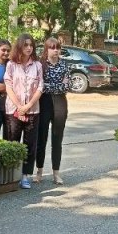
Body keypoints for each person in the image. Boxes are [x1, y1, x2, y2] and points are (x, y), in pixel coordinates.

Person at [4, 33, 44, 188]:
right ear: (20, 46)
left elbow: (40, 87)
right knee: (13, 141)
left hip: (32, 110)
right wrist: (19, 106)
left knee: (30, 144)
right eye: (25, 45)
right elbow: (8, 86)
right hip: (13, 110)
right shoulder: (11, 65)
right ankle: (11, 175)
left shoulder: (37, 65)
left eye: (31, 45)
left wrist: (28, 105)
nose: (29, 48)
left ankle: (25, 175)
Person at [35, 36, 70, 186]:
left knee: (57, 138)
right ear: (47, 49)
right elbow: (40, 86)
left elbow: (67, 86)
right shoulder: (41, 64)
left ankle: (56, 173)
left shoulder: (64, 65)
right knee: (41, 137)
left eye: (58, 48)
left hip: (60, 102)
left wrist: (50, 86)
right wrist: (57, 85)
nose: (55, 50)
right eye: (52, 48)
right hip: (44, 102)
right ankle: (39, 171)